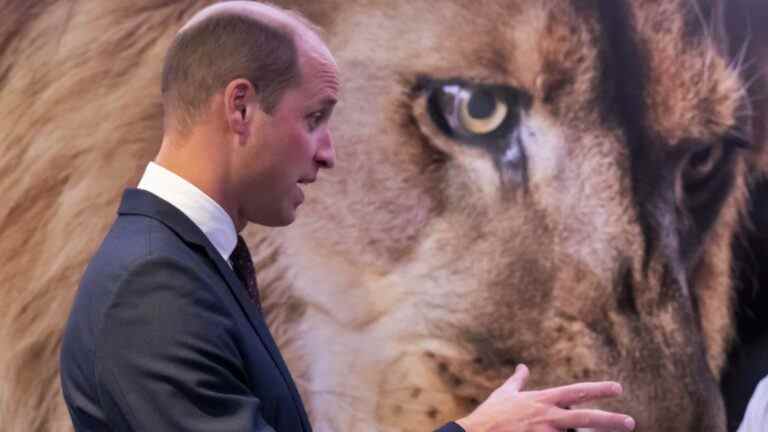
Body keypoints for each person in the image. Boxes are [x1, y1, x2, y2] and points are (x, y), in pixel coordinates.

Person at [59, 2, 636, 431]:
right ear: (240, 109)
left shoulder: (190, 260)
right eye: (313, 118)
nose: (328, 151)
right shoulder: (151, 286)